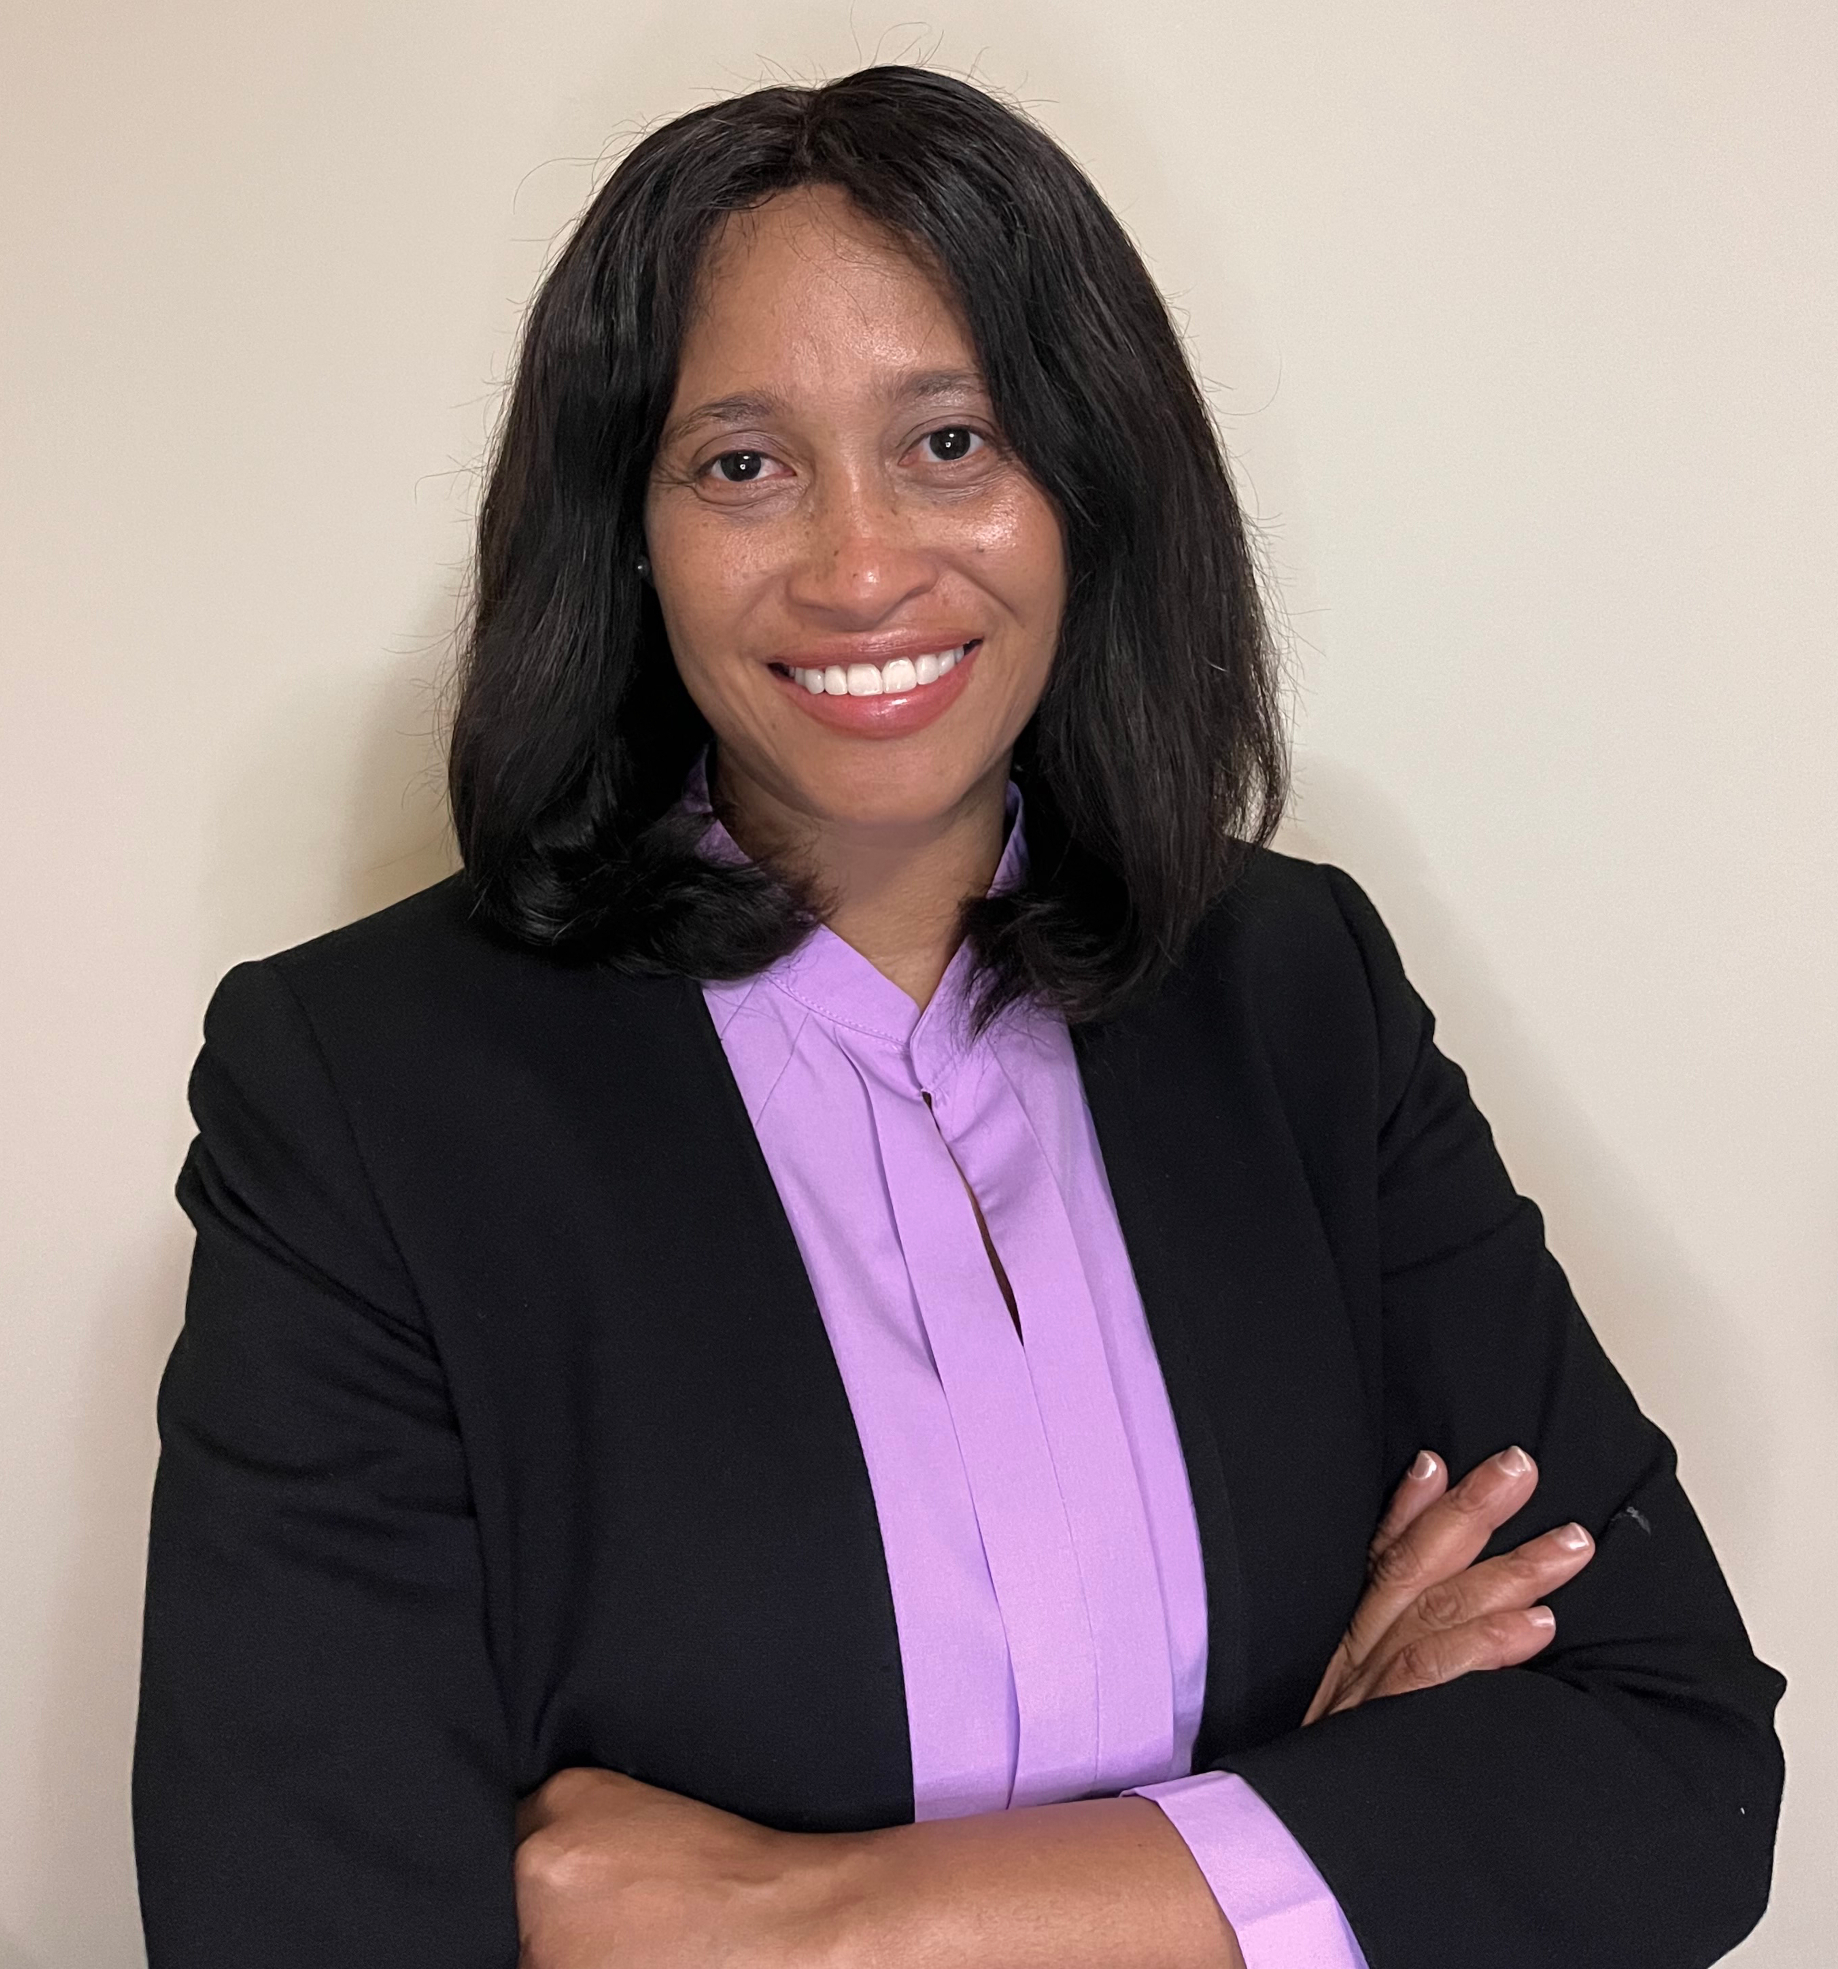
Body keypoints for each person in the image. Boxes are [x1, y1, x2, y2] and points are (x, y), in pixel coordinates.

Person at [131, 64, 1785, 1969]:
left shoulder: (1294, 991)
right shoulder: (367, 1090)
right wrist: (1299, 1832)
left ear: (1087, 481)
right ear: (627, 527)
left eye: (952, 440)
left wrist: (804, 1918)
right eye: (740, 462)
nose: (856, 566)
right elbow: (303, 1916)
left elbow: (1668, 1764)